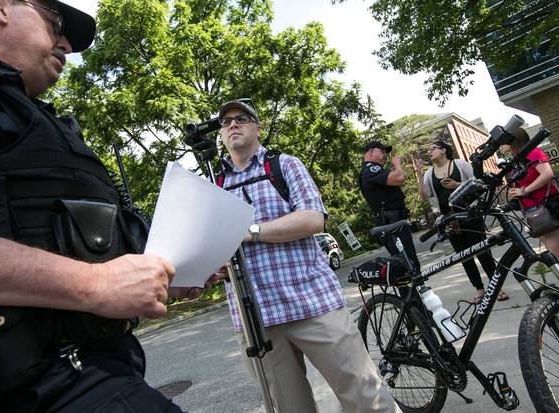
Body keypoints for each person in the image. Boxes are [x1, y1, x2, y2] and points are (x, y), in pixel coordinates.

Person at [0, 1, 204, 411]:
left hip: (100, 372)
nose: (66, 43)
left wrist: (162, 273)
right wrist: (92, 286)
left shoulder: (36, 116)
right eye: (55, 23)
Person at [215, 99, 401, 413]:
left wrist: (249, 231)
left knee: (366, 398)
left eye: (242, 118)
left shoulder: (284, 165)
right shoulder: (215, 183)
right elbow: (214, 243)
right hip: (256, 318)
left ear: (258, 128)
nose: (233, 124)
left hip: (310, 301)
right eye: (225, 122)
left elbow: (313, 218)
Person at [414, 141, 508, 303]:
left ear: (443, 150)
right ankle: (479, 289)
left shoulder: (459, 164)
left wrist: (457, 184)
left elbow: (479, 183)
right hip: (449, 219)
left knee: (482, 250)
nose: (429, 152)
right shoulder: (429, 173)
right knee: (464, 255)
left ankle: (496, 286)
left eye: (432, 149)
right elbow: (424, 196)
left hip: (469, 213)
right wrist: (420, 176)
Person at [358, 142, 421, 271]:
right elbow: (399, 178)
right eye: (382, 151)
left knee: (408, 263)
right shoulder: (370, 169)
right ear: (370, 152)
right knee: (407, 265)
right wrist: (397, 165)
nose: (385, 155)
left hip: (394, 220)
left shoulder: (376, 169)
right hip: (390, 222)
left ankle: (416, 290)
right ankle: (414, 290)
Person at [502, 127, 559, 257]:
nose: (501, 144)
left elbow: (547, 173)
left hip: (548, 207)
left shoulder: (533, 152)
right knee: (554, 252)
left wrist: (523, 190)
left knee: (556, 251)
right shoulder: (516, 160)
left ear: (514, 140)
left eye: (504, 140)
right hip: (534, 211)